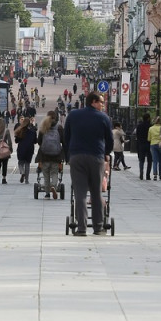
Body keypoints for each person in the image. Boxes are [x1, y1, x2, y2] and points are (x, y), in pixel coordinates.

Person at [63, 92, 114, 237]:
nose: (103, 105)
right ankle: (98, 227)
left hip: (76, 157)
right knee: (96, 193)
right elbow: (109, 140)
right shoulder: (103, 117)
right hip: (96, 157)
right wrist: (106, 152)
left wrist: (70, 154)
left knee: (79, 194)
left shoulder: (73, 115)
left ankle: (81, 228)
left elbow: (66, 136)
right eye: (101, 102)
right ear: (93, 101)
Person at [37, 111, 65, 198]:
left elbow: (39, 141)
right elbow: (63, 141)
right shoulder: (59, 127)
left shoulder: (43, 127)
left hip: (44, 155)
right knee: (54, 173)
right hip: (56, 156)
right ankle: (53, 186)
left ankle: (47, 193)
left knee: (46, 174)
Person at [0, 115, 15, 184]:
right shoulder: (6, 130)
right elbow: (10, 141)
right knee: (5, 164)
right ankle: (4, 179)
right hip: (4, 149)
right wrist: (10, 149)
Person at [14, 116, 37, 183]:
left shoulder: (20, 130)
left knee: (20, 162)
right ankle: (27, 180)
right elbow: (35, 141)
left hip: (21, 148)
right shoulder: (33, 132)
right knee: (27, 164)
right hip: (30, 149)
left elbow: (16, 141)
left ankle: (22, 172)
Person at [147, 115, 161, 181]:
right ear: (160, 121)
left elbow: (148, 138)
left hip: (153, 145)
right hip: (160, 145)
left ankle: (155, 175)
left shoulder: (150, 128)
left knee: (155, 161)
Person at [135, 113, 151, 180]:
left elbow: (137, 135)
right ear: (148, 118)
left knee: (141, 160)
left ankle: (141, 173)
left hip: (141, 144)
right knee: (149, 160)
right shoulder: (150, 126)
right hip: (149, 144)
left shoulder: (139, 126)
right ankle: (148, 175)